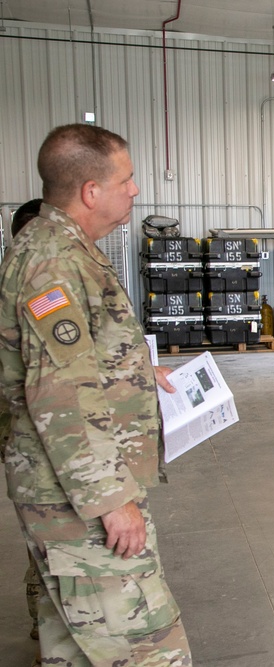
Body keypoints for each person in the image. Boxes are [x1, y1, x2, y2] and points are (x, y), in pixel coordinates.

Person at [0, 124, 192, 666]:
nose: (134, 190)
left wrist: (131, 372)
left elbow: (72, 361)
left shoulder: (62, 249)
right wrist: (112, 501)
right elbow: (58, 394)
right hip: (76, 498)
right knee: (147, 648)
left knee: (74, 645)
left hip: (63, 489)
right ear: (91, 191)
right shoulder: (54, 263)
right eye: (126, 179)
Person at [0, 197, 45, 646]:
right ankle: (44, 629)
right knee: (45, 547)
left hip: (26, 437)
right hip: (31, 440)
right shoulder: (29, 285)